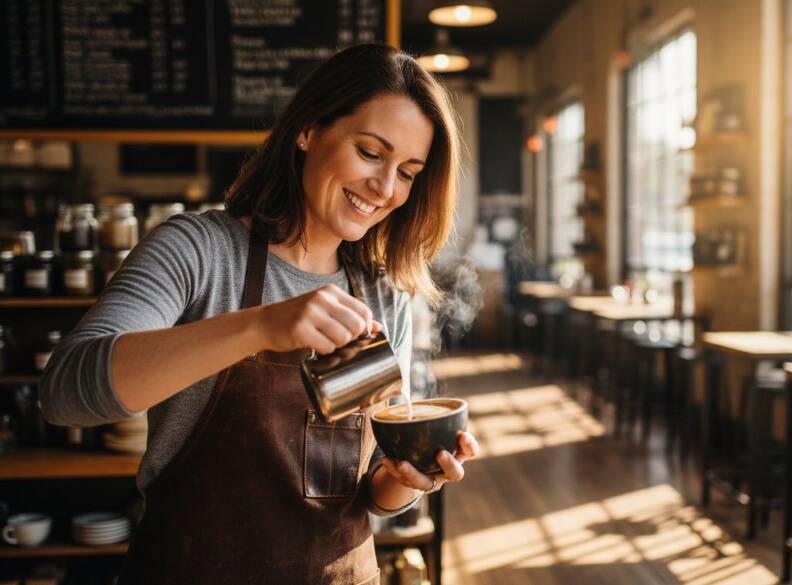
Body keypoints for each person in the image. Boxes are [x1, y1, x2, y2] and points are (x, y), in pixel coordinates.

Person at [40, 43, 479, 585]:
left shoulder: (382, 289)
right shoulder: (197, 251)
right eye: (369, 152)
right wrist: (262, 325)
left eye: (408, 172)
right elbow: (63, 393)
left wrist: (407, 478)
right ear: (308, 130)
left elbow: (366, 490)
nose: (386, 188)